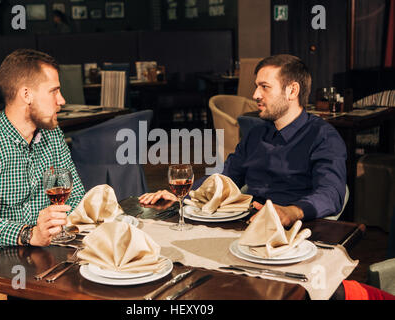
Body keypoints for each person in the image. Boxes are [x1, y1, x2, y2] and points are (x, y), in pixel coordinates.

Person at [139, 54, 347, 227]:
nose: (255, 94)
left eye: (265, 87)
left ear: (292, 90)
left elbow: (331, 194)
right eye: (256, 86)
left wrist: (292, 212)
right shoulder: (256, 134)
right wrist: (182, 196)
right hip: (244, 225)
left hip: (295, 232)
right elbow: (226, 176)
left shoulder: (323, 136)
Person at [0, 49, 85, 264]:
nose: (62, 100)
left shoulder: (52, 134)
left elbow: (75, 197)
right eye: (54, 91)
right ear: (26, 94)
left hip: (41, 250)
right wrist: (29, 234)